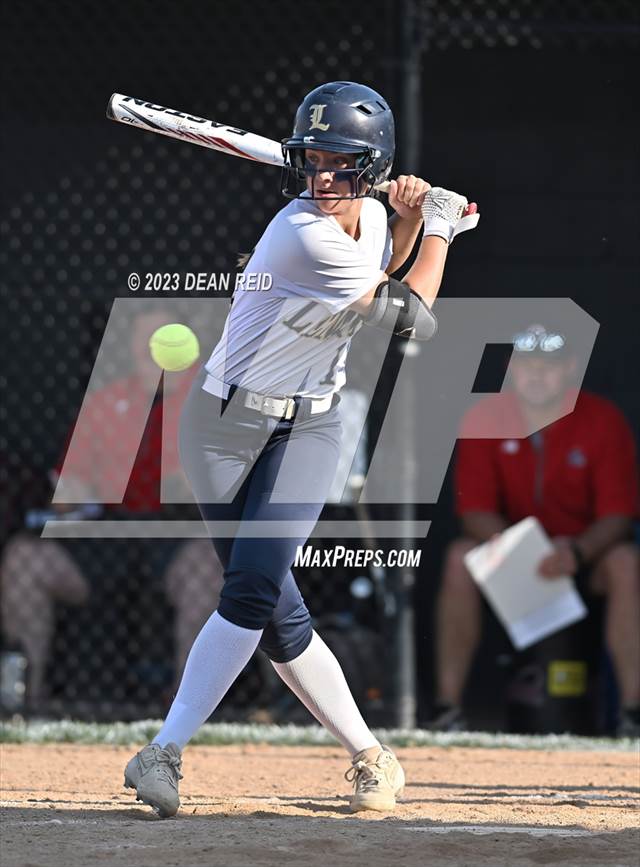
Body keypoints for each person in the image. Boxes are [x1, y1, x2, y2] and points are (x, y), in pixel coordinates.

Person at [123, 80, 478, 817]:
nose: (319, 175)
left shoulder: (372, 214)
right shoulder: (300, 231)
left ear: (371, 167)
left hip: (311, 426)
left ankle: (162, 752)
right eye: (310, 157)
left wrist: (411, 221)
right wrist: (440, 226)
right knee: (274, 608)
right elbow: (409, 315)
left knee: (252, 590)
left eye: (339, 161)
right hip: (222, 428)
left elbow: (384, 272)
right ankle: (372, 755)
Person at [0, 308, 223, 708]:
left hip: (179, 532)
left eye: (157, 339)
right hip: (108, 530)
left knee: (205, 567)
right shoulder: (106, 402)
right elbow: (67, 491)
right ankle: (26, 702)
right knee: (22, 559)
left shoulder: (210, 400)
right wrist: (76, 492)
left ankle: (187, 708)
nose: (147, 350)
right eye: (140, 341)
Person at [431, 324, 640, 736]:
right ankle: (446, 708)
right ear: (512, 368)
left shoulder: (601, 419)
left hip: (581, 560)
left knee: (625, 562)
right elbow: (474, 511)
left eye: (550, 366)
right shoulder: (485, 415)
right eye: (529, 365)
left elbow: (618, 516)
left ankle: (633, 713)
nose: (538, 375)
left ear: (570, 369)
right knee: (459, 557)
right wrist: (521, 550)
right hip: (515, 557)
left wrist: (575, 552)